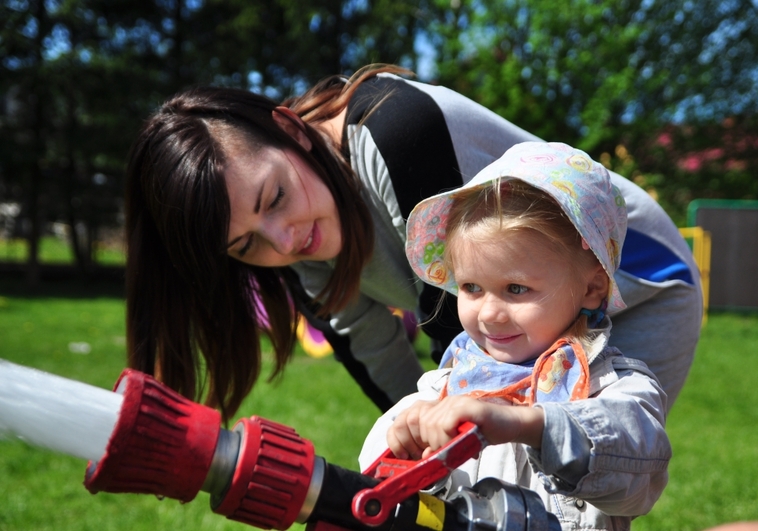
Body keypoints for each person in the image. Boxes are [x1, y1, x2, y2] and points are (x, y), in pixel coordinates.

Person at [124, 64, 702, 421]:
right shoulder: (295, 239)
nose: (284, 240)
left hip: (638, 283)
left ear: (293, 132)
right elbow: (384, 365)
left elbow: (469, 338)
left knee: (574, 490)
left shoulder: (396, 133)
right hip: (523, 322)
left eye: (274, 198)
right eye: (246, 245)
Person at [359, 141, 671, 531]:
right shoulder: (443, 388)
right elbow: (377, 486)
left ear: (592, 288)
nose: (489, 313)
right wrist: (411, 453)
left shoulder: (612, 385)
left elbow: (638, 469)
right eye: (471, 287)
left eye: (516, 289)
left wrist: (527, 425)